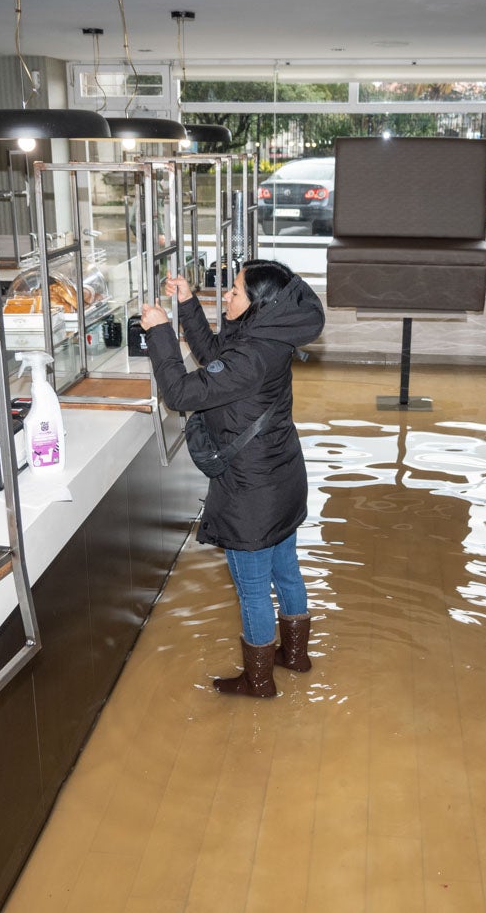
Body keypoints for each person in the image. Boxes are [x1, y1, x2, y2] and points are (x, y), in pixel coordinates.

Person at [139, 261, 325, 698]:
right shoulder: (266, 334)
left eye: (235, 292)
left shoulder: (253, 354)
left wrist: (159, 333)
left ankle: (258, 682)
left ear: (258, 303)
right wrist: (186, 304)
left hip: (251, 492)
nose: (226, 297)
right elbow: (213, 357)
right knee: (287, 572)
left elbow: (181, 393)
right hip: (282, 477)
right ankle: (295, 656)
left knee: (254, 590)